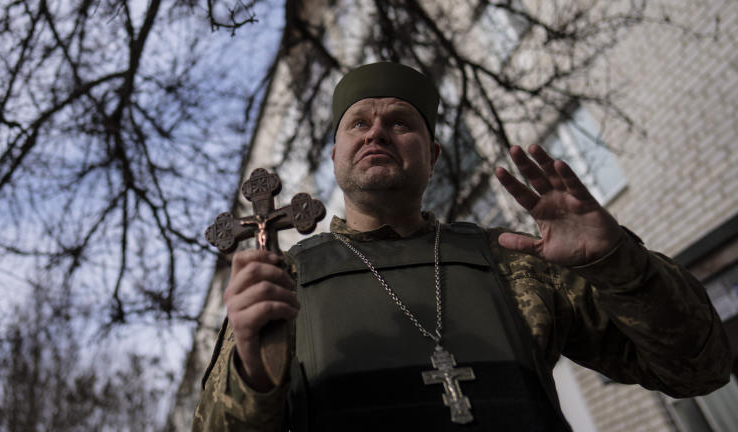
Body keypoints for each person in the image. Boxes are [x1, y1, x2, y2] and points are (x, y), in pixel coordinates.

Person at [193, 62, 731, 431]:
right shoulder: (278, 282)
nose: (376, 133)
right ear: (335, 156)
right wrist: (253, 369)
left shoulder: (514, 260)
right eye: (359, 123)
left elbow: (699, 368)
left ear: (433, 154)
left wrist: (618, 265)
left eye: (400, 123)